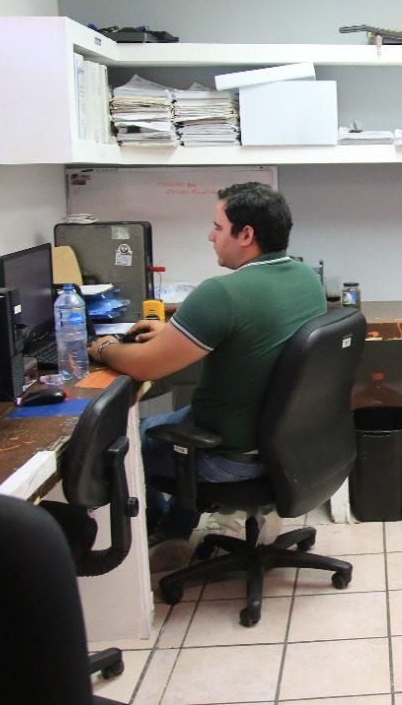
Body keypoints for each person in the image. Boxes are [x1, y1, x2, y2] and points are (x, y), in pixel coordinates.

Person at [87, 182, 325, 563]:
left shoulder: (221, 294)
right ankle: (175, 530)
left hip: (229, 456)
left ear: (246, 235)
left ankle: (163, 534)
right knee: (179, 426)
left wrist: (102, 348)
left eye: (218, 227)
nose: (211, 236)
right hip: (287, 445)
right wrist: (175, 334)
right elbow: (252, 333)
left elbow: (144, 364)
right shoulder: (305, 278)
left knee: (123, 440)